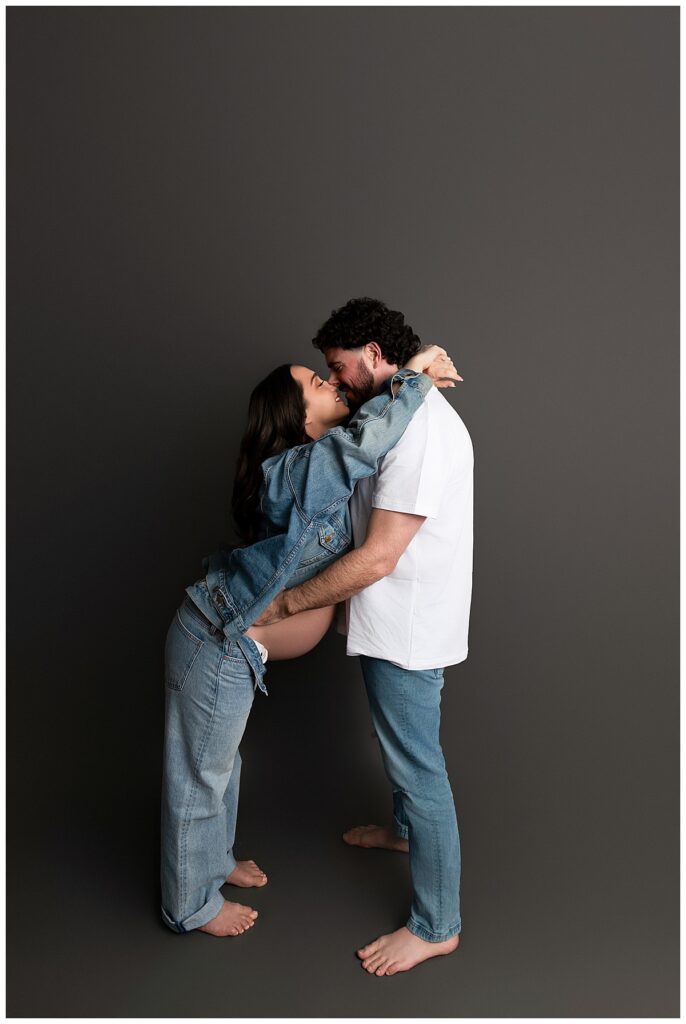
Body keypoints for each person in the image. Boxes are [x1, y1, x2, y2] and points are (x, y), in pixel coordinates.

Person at [160, 342, 459, 937]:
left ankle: (214, 863)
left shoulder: (318, 470)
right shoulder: (291, 473)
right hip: (215, 639)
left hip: (236, 648)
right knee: (199, 774)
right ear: (297, 418)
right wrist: (416, 376)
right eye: (317, 384)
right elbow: (364, 443)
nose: (332, 384)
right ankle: (191, 905)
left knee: (221, 767)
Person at [255, 297, 473, 976]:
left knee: (418, 766)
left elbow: (379, 557)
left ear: (372, 354)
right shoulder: (395, 411)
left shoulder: (418, 430)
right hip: (391, 619)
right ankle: (406, 835)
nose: (336, 379)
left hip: (407, 626)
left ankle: (438, 925)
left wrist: (287, 601)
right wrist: (413, 367)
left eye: (338, 367)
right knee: (397, 743)